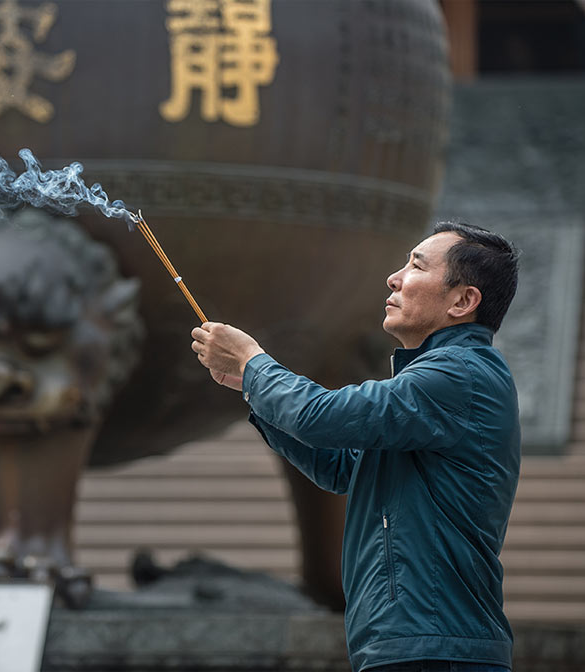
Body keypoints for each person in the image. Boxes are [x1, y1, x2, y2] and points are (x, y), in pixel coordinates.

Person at [191, 222, 521, 672]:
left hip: (436, 647)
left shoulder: (458, 374)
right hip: (416, 643)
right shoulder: (439, 380)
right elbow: (341, 468)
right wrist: (252, 389)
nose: (394, 277)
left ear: (463, 301)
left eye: (416, 266)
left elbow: (322, 416)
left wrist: (254, 364)